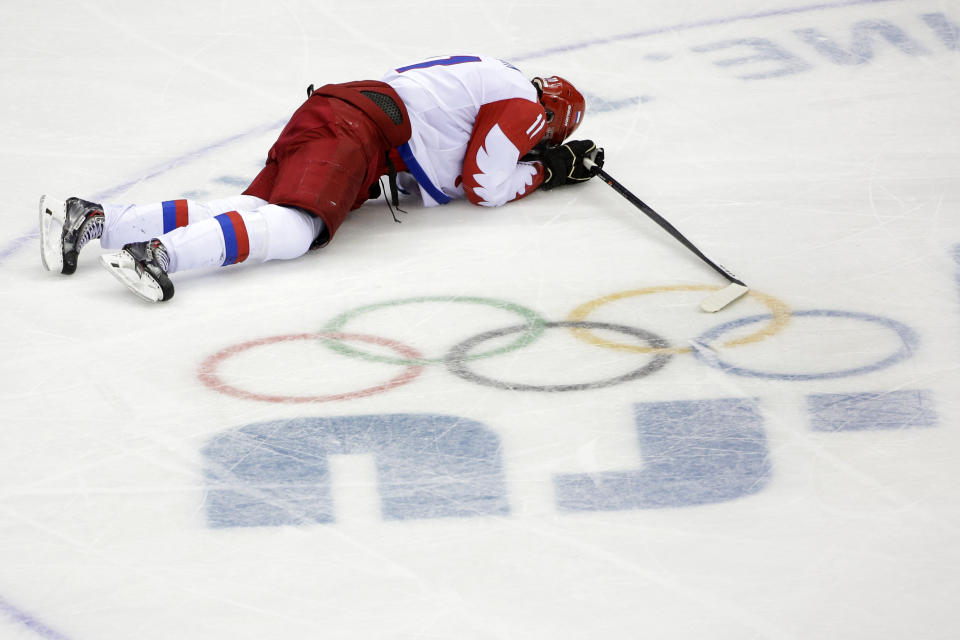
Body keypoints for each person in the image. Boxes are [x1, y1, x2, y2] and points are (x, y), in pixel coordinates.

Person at [39, 54, 604, 302]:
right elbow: (484, 182)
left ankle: (98, 221)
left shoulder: (490, 76)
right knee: (299, 227)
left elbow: (436, 166)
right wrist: (547, 169)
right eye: (545, 137)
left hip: (339, 110)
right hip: (360, 129)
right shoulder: (528, 105)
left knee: (249, 207)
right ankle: (157, 256)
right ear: (553, 119)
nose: (537, 140)